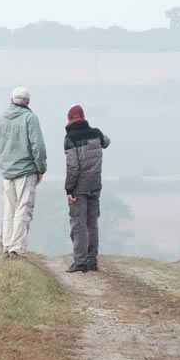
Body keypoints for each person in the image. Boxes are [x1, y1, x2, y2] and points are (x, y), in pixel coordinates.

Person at [0, 86, 46, 258]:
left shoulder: (1, 119)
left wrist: (4, 163)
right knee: (23, 209)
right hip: (26, 171)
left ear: (11, 99)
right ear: (27, 101)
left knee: (9, 210)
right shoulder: (30, 118)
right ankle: (17, 248)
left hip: (7, 174)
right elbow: (38, 147)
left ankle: (7, 245)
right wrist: (40, 168)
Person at [63, 104, 111, 273]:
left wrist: (69, 189)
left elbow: (73, 167)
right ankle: (92, 261)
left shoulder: (70, 139)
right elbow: (107, 141)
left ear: (69, 119)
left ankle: (80, 262)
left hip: (79, 187)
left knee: (78, 223)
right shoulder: (96, 133)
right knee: (92, 222)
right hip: (95, 184)